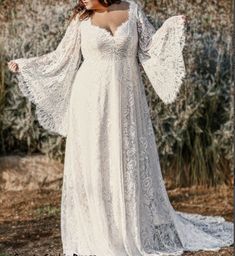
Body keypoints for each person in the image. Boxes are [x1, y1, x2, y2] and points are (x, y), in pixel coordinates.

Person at [7, 0, 233, 255]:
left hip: (126, 101)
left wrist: (171, 27)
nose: (80, 0)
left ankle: (128, 227)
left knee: (126, 160)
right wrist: (25, 65)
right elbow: (60, 57)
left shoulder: (132, 9)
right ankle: (100, 231)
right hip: (90, 102)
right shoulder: (81, 20)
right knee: (97, 162)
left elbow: (149, 48)